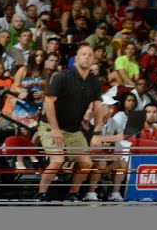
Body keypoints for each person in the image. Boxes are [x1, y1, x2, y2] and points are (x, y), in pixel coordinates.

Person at [34, 43, 105, 202]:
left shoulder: (94, 82)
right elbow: (48, 102)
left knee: (86, 162)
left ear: (93, 59)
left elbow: (98, 108)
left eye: (89, 55)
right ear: (76, 59)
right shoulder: (62, 77)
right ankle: (41, 194)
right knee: (57, 160)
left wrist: (97, 132)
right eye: (83, 54)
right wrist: (55, 128)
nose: (86, 57)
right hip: (50, 126)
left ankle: (73, 193)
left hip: (74, 129)